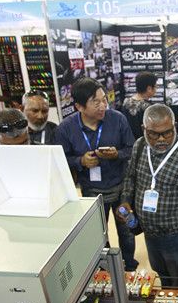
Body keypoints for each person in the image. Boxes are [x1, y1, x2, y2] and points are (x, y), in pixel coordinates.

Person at [119, 104, 178, 288]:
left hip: (174, 237)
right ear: (144, 129)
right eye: (154, 134)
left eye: (167, 133)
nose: (161, 139)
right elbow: (131, 178)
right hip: (149, 232)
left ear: (175, 127)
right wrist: (125, 200)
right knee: (163, 278)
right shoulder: (140, 146)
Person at [55, 77, 138, 271]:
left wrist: (117, 154)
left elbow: (132, 149)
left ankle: (129, 265)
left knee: (127, 229)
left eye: (104, 100)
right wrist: (80, 161)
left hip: (121, 187)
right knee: (99, 234)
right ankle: (107, 270)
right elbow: (59, 159)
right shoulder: (66, 129)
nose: (103, 106)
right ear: (79, 106)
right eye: (96, 102)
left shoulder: (118, 119)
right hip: (92, 191)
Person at [121, 71, 157, 139]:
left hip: (128, 142)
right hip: (143, 142)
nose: (156, 89)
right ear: (149, 88)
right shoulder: (149, 108)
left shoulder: (125, 102)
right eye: (155, 86)